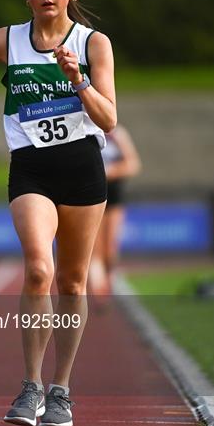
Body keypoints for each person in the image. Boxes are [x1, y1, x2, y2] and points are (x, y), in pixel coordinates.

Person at [0, 0, 116, 426]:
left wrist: (78, 81)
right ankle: (30, 386)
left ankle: (61, 389)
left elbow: (109, 120)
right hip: (31, 169)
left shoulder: (94, 43)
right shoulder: (7, 40)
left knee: (72, 282)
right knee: (37, 269)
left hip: (83, 170)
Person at [89, 125, 141, 297]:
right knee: (94, 247)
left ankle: (109, 276)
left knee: (110, 247)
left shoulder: (116, 134)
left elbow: (133, 164)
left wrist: (109, 172)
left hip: (113, 194)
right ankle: (98, 288)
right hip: (91, 193)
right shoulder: (84, 130)